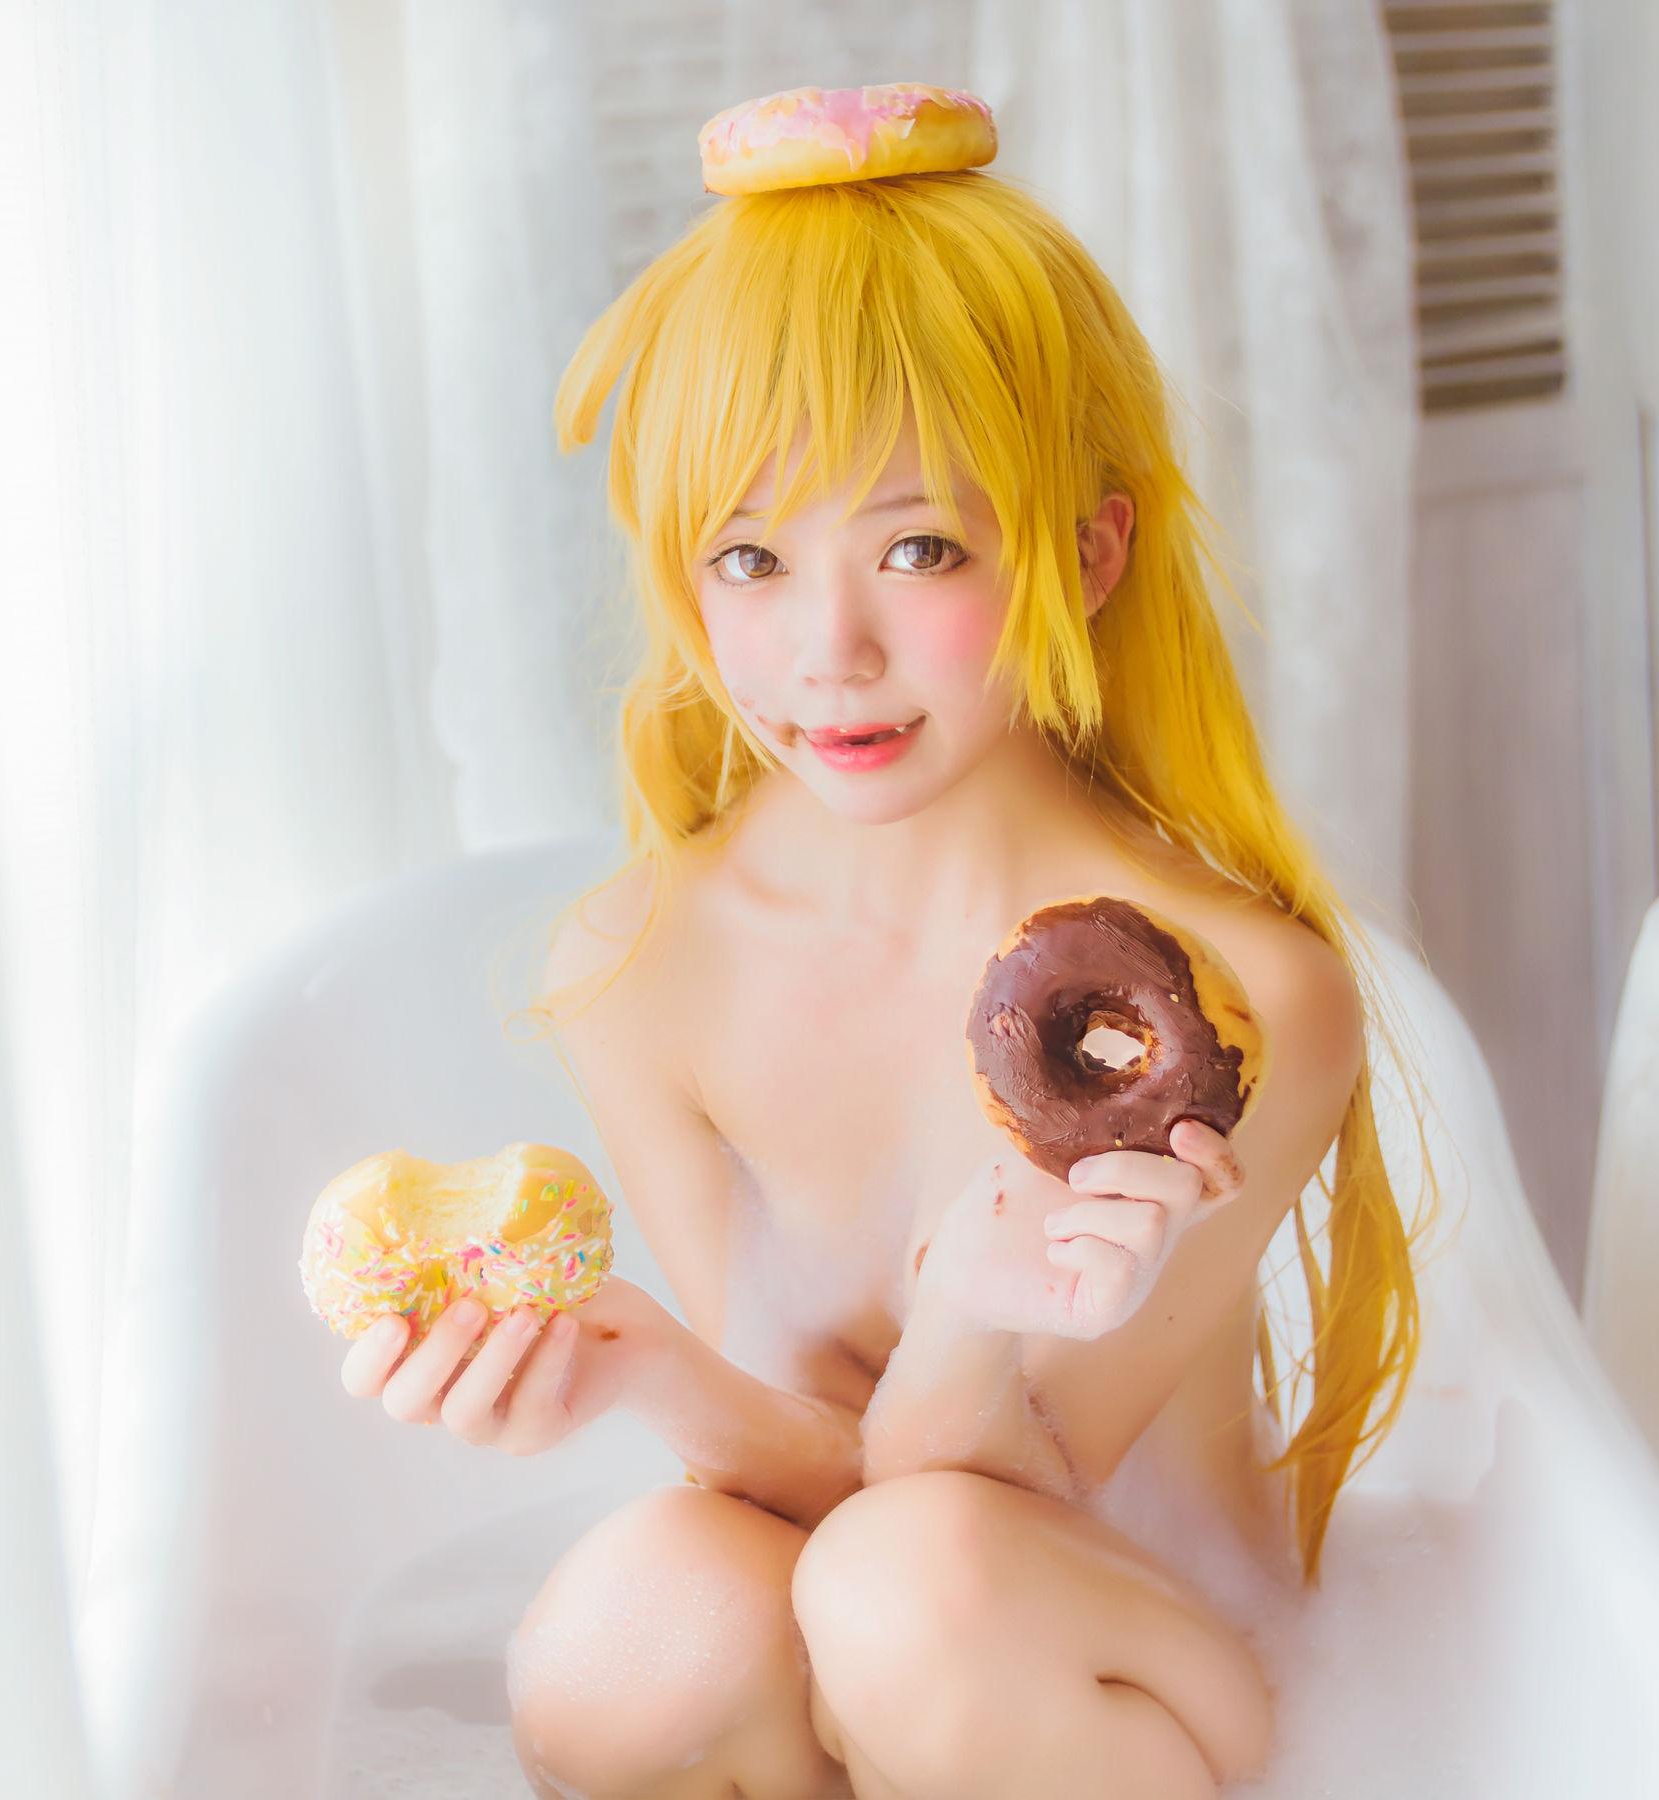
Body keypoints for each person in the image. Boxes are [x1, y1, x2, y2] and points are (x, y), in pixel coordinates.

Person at [340, 89, 1436, 1799]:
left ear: (1089, 550)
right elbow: (804, 1483)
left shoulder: (1243, 998)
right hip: (870, 1637)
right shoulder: (650, 964)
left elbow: (994, 1513)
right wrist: (638, 1365)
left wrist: (977, 1324)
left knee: (909, 1591)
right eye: (750, 558)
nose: (827, 652)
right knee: (631, 1631)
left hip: (1129, 1670)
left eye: (918, 548)